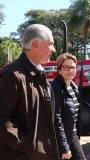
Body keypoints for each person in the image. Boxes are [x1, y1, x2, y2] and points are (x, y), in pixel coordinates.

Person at [0, 24, 60, 160]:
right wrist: (30, 147)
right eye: (51, 44)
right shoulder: (12, 75)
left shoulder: (39, 74)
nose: (54, 49)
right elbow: (2, 120)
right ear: (36, 45)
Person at [51, 53, 86, 160]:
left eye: (73, 67)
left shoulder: (73, 87)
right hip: (61, 139)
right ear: (59, 69)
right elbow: (56, 119)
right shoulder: (56, 88)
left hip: (72, 135)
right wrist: (64, 147)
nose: (70, 70)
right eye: (66, 67)